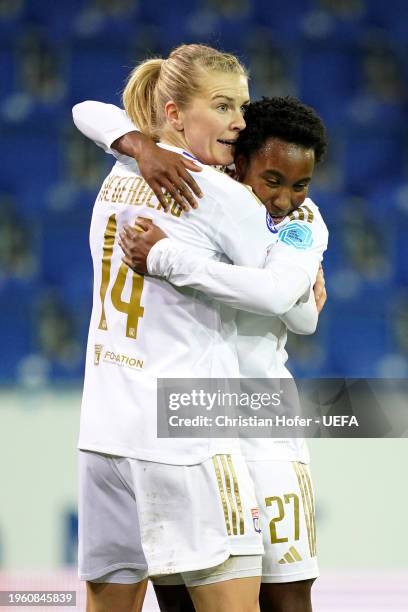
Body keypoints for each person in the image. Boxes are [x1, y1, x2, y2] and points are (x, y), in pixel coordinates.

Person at [76, 43, 323, 612]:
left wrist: (134, 142)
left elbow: (85, 110)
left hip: (104, 431)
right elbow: (295, 304)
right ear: (174, 113)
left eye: (241, 105)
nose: (239, 120)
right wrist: (307, 260)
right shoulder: (218, 195)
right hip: (184, 432)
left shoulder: (118, 171)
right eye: (223, 105)